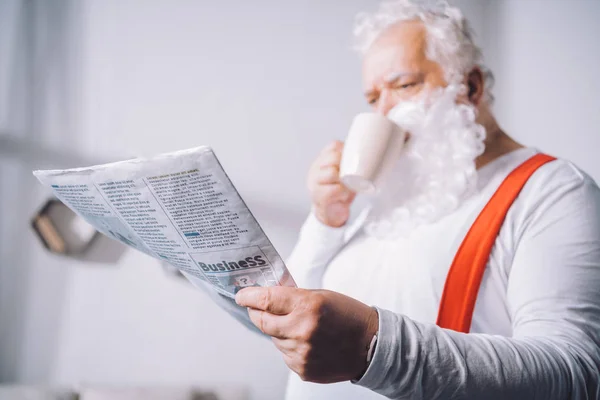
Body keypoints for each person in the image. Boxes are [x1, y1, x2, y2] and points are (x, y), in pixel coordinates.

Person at [207, 1, 600, 398]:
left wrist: (372, 347)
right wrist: (326, 221)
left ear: (471, 87)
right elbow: (288, 324)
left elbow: (574, 374)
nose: (386, 114)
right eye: (373, 99)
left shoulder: (552, 191)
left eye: (405, 85)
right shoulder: (392, 199)